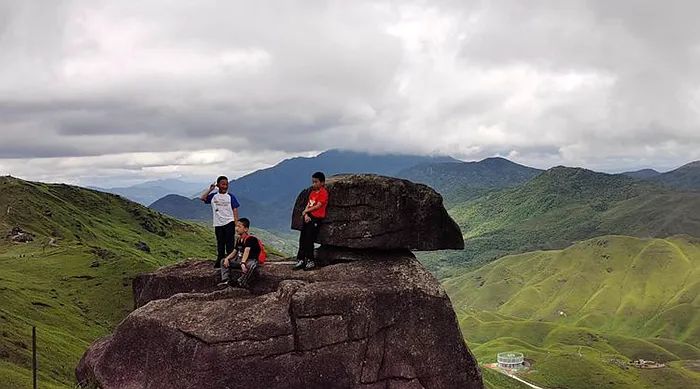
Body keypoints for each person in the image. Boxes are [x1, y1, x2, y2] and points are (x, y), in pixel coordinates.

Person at [200, 176, 240, 268]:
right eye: (223, 184)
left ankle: (230, 261)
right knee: (220, 243)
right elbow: (202, 198)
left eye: (226, 184)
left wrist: (236, 223)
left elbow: (235, 209)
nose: (225, 186)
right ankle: (220, 260)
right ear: (218, 185)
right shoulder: (214, 196)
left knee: (230, 244)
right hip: (218, 223)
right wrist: (210, 189)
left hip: (229, 222)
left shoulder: (230, 196)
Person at [293, 171, 328, 271]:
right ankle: (301, 259)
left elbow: (318, 205)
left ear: (322, 183)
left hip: (316, 219)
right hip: (308, 217)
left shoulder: (323, 193)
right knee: (302, 238)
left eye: (316, 182)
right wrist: (306, 214)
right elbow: (309, 204)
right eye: (313, 182)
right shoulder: (312, 193)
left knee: (309, 239)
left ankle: (310, 260)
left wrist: (306, 211)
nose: (314, 184)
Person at [220, 218, 261, 288]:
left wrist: (243, 263)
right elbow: (234, 251)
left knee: (251, 265)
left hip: (250, 260)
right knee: (223, 261)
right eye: (236, 226)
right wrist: (227, 258)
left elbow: (246, 251)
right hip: (241, 259)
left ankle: (242, 281)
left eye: (239, 226)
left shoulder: (251, 239)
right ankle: (226, 280)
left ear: (246, 229)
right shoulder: (239, 239)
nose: (236, 228)